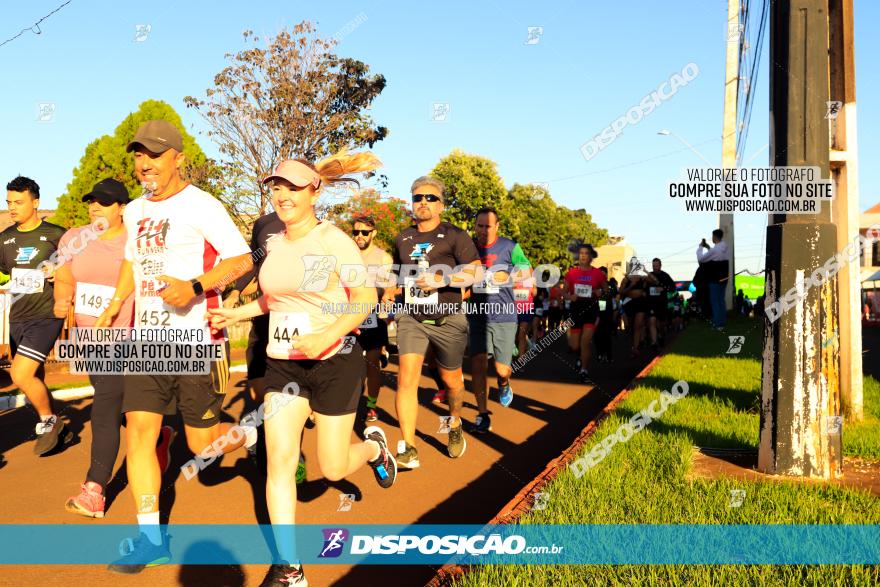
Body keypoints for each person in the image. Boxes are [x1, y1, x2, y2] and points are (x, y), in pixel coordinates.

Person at [208, 153, 397, 586]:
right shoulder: (274, 244)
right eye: (276, 187)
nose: (282, 195)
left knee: (331, 468)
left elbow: (365, 297)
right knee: (280, 463)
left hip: (334, 361)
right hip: (282, 365)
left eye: (292, 187)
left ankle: (373, 449)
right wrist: (235, 316)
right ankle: (290, 568)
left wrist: (328, 334)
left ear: (314, 191)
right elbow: (274, 300)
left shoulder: (334, 240)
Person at [98, 120, 255, 573]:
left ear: (178, 158)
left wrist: (195, 286)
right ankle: (151, 538)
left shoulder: (202, 205)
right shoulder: (133, 211)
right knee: (140, 434)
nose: (144, 163)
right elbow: (131, 260)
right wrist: (114, 304)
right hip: (148, 340)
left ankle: (256, 432)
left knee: (202, 444)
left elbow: (242, 258)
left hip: (196, 340)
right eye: (138, 155)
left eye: (154, 154)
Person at [54, 179, 175, 518]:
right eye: (92, 201)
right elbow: (65, 276)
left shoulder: (134, 239)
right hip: (89, 338)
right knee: (120, 403)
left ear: (122, 208)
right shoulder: (73, 238)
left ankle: (95, 489)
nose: (95, 207)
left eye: (104, 203)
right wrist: (62, 298)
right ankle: (160, 437)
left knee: (105, 403)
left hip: (130, 336)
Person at [391, 176, 481, 468]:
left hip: (448, 318)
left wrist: (444, 280)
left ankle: (454, 423)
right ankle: (408, 446)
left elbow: (477, 274)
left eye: (430, 198)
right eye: (418, 197)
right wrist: (389, 293)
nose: (423, 203)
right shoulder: (402, 238)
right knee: (407, 378)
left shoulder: (456, 236)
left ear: (441, 204)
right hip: (412, 317)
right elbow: (397, 276)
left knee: (452, 381)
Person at [1, 176, 70, 455]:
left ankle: (48, 421)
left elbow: (76, 266)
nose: (12, 207)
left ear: (36, 202)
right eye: (8, 202)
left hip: (47, 314)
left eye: (18, 202)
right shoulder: (4, 239)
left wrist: (61, 274)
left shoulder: (57, 234)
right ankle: (58, 430)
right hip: (17, 317)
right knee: (35, 377)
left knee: (19, 373)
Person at [468, 207, 532, 433]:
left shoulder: (510, 247)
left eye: (488, 226)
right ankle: (482, 414)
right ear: (475, 227)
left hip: (504, 315)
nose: (484, 230)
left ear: (497, 227)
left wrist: (510, 276)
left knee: (502, 369)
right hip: (476, 316)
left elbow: (527, 270)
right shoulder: (468, 247)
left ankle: (504, 384)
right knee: (477, 362)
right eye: (480, 226)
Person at [351, 214, 394, 423]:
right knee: (352, 364)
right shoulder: (347, 254)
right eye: (356, 232)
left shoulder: (383, 258)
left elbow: (388, 290)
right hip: (350, 317)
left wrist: (386, 313)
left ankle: (371, 406)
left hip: (374, 318)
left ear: (373, 233)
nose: (359, 236)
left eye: (364, 232)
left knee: (372, 363)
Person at [564, 244, 607, 382]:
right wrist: (570, 297)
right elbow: (564, 292)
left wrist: (600, 292)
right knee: (575, 345)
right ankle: (579, 357)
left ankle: (584, 370)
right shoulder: (571, 273)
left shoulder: (598, 274)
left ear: (591, 257)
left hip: (591, 309)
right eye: (581, 253)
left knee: (585, 341)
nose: (583, 256)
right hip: (576, 309)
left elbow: (608, 291)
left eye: (586, 253)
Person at [696, 229, 730, 328]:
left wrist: (700, 247)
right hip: (724, 277)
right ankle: (722, 321)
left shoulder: (715, 250)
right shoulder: (725, 247)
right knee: (721, 300)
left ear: (715, 237)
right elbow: (714, 253)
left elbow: (701, 258)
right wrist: (708, 247)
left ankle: (717, 323)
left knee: (715, 301)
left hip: (714, 278)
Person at [619, 258, 650, 358]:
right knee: (632, 326)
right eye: (632, 264)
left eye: (636, 264)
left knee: (638, 326)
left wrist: (645, 270)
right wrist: (630, 286)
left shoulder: (642, 278)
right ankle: (633, 345)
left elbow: (655, 280)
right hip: (630, 303)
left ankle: (635, 348)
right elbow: (621, 292)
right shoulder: (626, 278)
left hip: (640, 303)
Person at [646, 258, 675, 351]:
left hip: (662, 303)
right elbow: (645, 288)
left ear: (660, 265)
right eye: (653, 266)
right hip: (651, 303)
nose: (655, 267)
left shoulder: (665, 276)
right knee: (652, 321)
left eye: (656, 265)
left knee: (661, 324)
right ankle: (654, 343)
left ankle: (661, 335)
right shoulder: (649, 276)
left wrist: (663, 289)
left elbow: (673, 287)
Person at [594, 267, 616, 363]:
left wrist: (602, 292)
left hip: (607, 313)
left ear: (607, 275)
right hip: (596, 312)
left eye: (604, 274)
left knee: (607, 335)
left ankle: (609, 356)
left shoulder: (610, 284)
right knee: (597, 335)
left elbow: (613, 292)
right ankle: (599, 354)